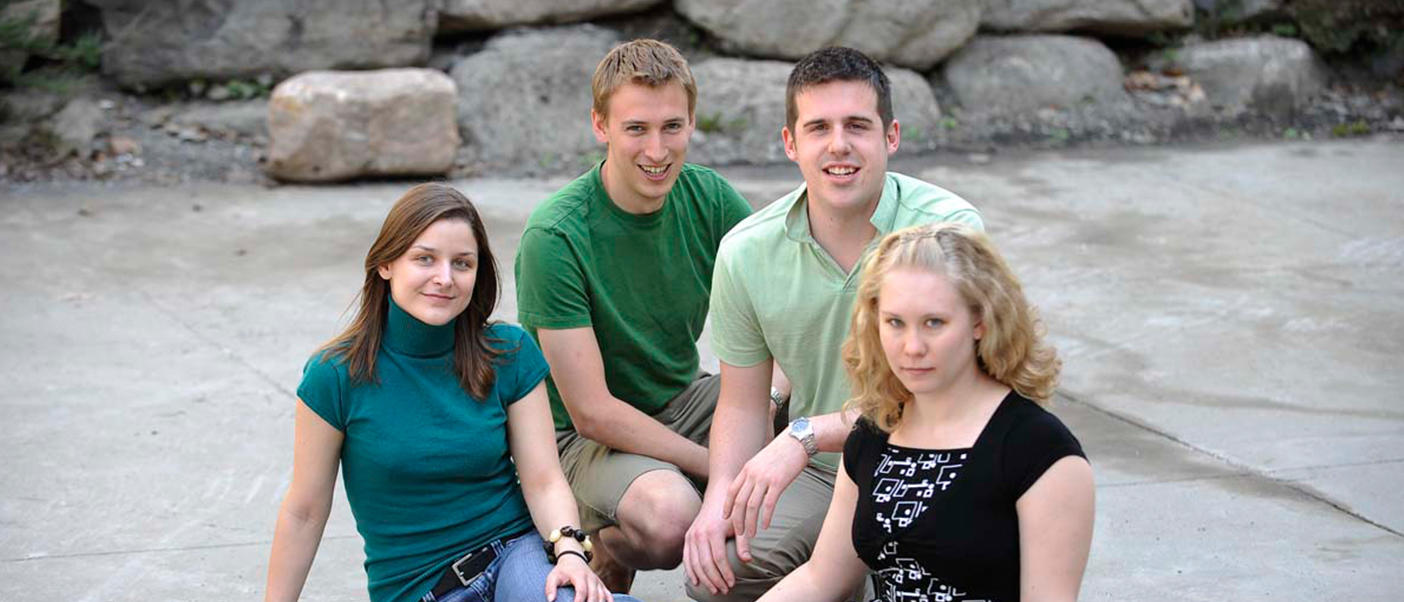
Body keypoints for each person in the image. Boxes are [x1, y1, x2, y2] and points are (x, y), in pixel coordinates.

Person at [684, 47, 985, 601]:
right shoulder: (747, 251)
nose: (838, 144)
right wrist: (719, 497)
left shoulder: (949, 233)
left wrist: (804, 435)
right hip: (826, 472)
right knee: (719, 574)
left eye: (857, 126)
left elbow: (955, 394)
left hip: (939, 459)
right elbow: (743, 402)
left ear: (890, 136)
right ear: (790, 143)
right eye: (818, 127)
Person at [265, 183, 639, 602]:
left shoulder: (509, 353)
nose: (444, 278)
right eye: (424, 259)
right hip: (421, 588)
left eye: (462, 263)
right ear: (386, 263)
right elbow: (304, 512)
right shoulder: (334, 375)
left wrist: (569, 550)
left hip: (519, 556)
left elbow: (544, 479)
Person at [513, 39, 753, 593]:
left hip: (683, 398)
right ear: (600, 125)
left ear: (693, 121)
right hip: (579, 437)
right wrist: (719, 464)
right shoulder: (556, 236)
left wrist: (771, 406)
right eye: (636, 129)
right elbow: (592, 411)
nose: (657, 149)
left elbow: (785, 305)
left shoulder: (709, 198)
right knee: (673, 518)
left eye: (672, 126)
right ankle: (606, 546)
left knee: (812, 405)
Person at [757, 222, 1095, 601]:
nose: (912, 346)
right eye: (895, 323)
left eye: (934, 323)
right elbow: (821, 579)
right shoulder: (874, 433)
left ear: (981, 322)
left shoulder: (1038, 450)